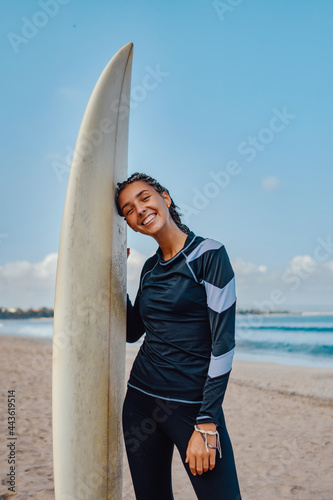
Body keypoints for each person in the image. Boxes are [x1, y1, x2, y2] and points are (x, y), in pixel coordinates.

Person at [115, 172, 241, 500]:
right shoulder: (150, 269)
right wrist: (120, 274)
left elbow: (223, 344)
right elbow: (133, 332)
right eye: (128, 209)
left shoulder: (209, 255)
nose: (139, 210)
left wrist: (207, 423)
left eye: (144, 198)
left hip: (193, 408)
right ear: (129, 223)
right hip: (141, 403)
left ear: (165, 198)